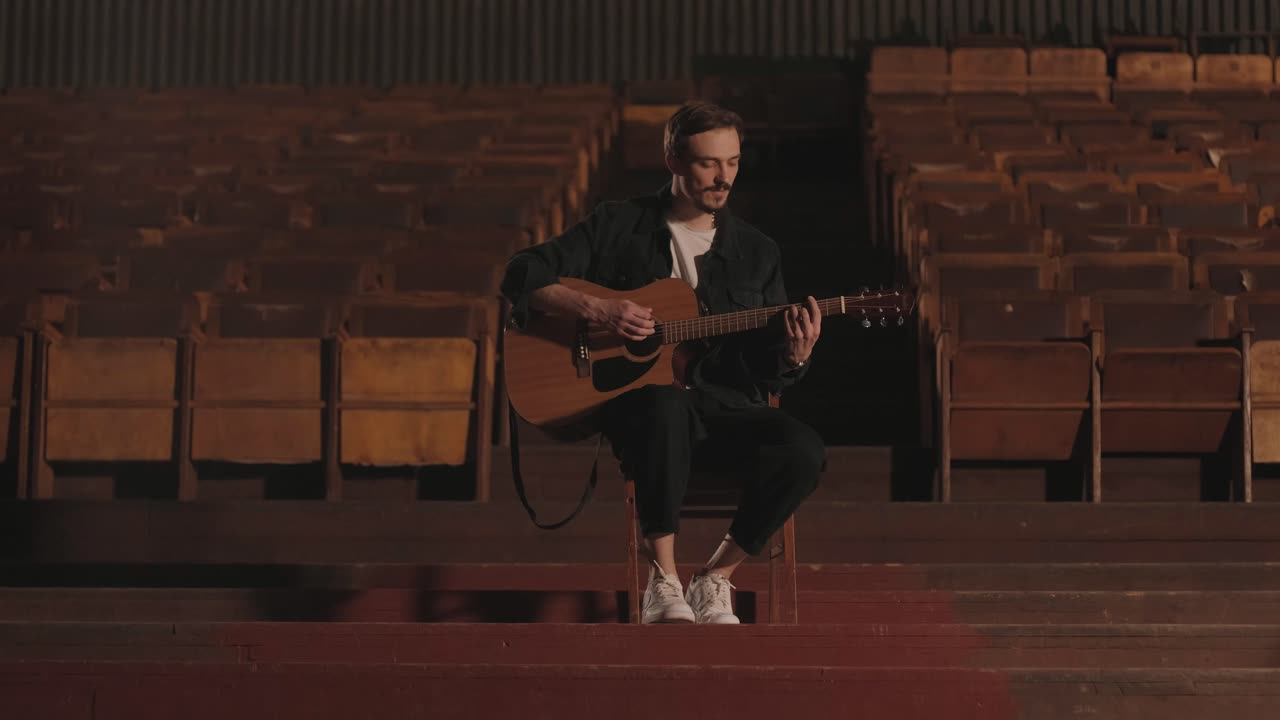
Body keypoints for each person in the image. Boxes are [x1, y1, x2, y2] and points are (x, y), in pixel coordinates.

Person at [501, 102, 824, 624]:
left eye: (734, 163)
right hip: (645, 412)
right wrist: (597, 307)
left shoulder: (757, 253)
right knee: (662, 404)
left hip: (725, 408)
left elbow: (767, 369)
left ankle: (715, 578)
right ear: (673, 159)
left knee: (804, 450)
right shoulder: (618, 225)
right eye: (708, 164)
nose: (724, 178)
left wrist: (793, 356)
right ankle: (665, 580)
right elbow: (521, 274)